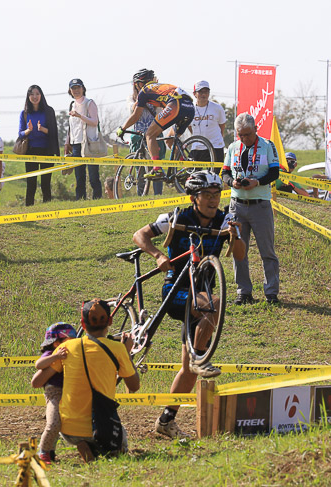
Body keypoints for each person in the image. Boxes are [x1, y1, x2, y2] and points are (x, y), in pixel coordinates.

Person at [132, 170, 245, 438]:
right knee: (215, 304)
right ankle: (199, 357)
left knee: (189, 369)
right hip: (176, 291)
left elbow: (240, 255)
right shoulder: (176, 216)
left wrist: (236, 235)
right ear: (194, 197)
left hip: (202, 296)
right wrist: (158, 255)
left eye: (216, 195)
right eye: (207, 195)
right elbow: (140, 235)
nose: (213, 200)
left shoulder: (225, 219)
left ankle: (166, 419)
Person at [31, 299, 139, 462]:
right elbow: (134, 386)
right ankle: (97, 449)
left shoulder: (66, 348)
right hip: (103, 428)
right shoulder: (118, 349)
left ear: (82, 323)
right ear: (110, 321)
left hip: (69, 431)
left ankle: (81, 446)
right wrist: (128, 353)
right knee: (121, 437)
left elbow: (38, 381)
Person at [221, 113, 281, 305]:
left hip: (260, 205)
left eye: (248, 134)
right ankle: (243, 291)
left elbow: (274, 172)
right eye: (241, 135)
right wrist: (232, 183)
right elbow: (225, 172)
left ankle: (271, 292)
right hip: (237, 205)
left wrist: (257, 182)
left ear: (256, 129)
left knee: (267, 251)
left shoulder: (267, 145)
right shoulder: (232, 147)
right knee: (239, 250)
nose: (245, 138)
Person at [117, 69, 195, 178]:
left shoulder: (145, 91)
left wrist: (123, 128)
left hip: (176, 105)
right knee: (171, 140)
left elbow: (136, 115)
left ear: (138, 84)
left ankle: (157, 169)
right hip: (190, 107)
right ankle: (185, 167)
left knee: (150, 134)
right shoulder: (160, 87)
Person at [32, 322, 78, 465]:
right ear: (55, 343)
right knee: (53, 423)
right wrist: (56, 357)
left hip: (69, 391)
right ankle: (43, 451)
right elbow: (38, 365)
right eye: (68, 341)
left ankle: (50, 450)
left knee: (60, 424)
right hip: (54, 392)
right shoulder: (52, 353)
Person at [18, 85, 60, 206]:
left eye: (37, 94)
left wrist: (42, 129)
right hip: (30, 150)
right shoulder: (24, 113)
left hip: (47, 150)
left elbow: (54, 132)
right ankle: (29, 209)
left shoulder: (49, 111)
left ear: (41, 95)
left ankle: (47, 208)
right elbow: (20, 134)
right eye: (32, 94)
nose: (35, 96)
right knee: (31, 182)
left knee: (46, 182)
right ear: (28, 97)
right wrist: (28, 130)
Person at [64, 79, 102, 200]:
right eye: (73, 88)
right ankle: (80, 200)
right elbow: (71, 127)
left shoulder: (90, 103)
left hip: (89, 143)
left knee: (93, 176)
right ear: (70, 91)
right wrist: (67, 142)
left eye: (78, 87)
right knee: (79, 177)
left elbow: (95, 122)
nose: (76, 90)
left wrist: (80, 116)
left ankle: (97, 199)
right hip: (76, 144)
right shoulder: (72, 105)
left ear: (83, 88)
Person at [189, 80, 226, 168]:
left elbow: (222, 126)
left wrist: (217, 139)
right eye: (201, 92)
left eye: (206, 91)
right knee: (194, 177)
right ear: (194, 94)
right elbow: (190, 127)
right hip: (197, 147)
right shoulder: (190, 110)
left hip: (215, 147)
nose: (204, 94)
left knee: (215, 176)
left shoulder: (217, 108)